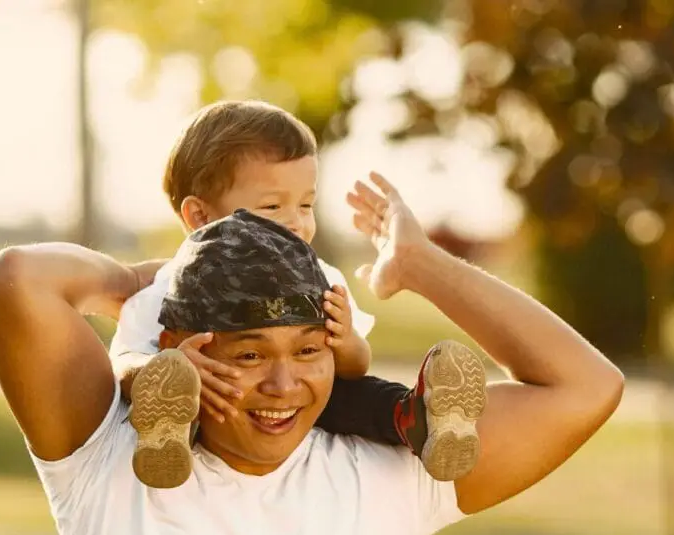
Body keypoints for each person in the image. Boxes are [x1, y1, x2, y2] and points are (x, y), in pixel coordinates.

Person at [0, 172, 624, 535]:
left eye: (310, 351)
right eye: (250, 355)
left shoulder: (398, 465)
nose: (285, 387)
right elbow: (17, 279)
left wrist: (418, 263)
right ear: (183, 347)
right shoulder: (111, 453)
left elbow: (587, 386)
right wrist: (145, 284)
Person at [113, 100, 479, 488]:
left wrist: (346, 340)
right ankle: (168, 437)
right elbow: (122, 362)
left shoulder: (321, 277)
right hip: (216, 407)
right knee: (197, 397)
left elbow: (353, 368)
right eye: (272, 206)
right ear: (201, 218)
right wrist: (161, 367)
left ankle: (418, 418)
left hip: (311, 403)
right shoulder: (172, 284)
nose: (297, 222)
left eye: (306, 204)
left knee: (349, 393)